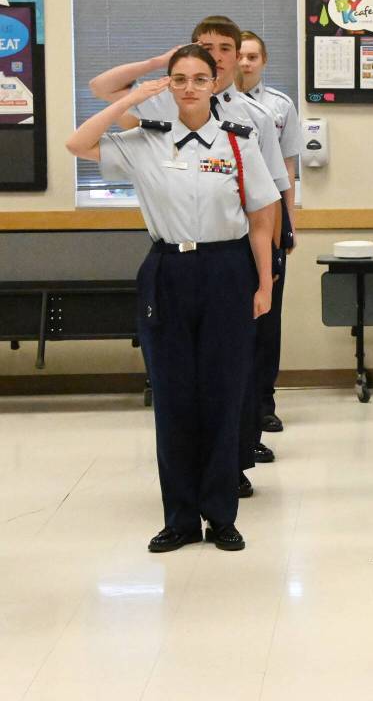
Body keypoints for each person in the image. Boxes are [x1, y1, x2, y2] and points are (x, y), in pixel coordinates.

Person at [66, 45, 279, 552]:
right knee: (174, 397)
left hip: (227, 269)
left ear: (215, 84)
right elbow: (78, 143)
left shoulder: (237, 142)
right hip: (168, 270)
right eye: (178, 78)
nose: (188, 88)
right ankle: (180, 518)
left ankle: (221, 516)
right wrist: (133, 96)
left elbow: (260, 221)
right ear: (168, 83)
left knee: (224, 396)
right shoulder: (144, 141)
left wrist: (265, 284)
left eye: (199, 79)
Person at [237, 29, 301, 440]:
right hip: (229, 224)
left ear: (264, 61)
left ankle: (263, 403)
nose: (244, 62)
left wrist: (288, 225)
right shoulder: (204, 103)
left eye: (252, 56)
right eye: (239, 55)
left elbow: (288, 172)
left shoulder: (279, 107)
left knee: (268, 318)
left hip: (271, 219)